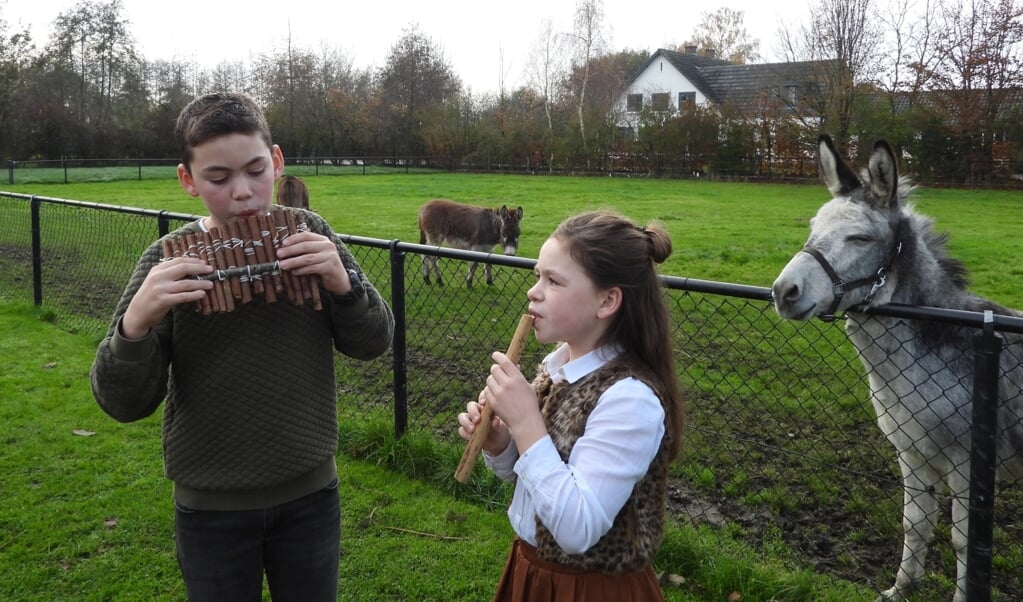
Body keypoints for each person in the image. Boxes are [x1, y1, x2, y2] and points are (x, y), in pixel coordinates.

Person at [90, 92, 394, 602]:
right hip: (210, 510)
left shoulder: (312, 234)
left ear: (276, 162)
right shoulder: (167, 261)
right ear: (188, 180)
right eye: (218, 178)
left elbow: (374, 343)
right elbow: (122, 403)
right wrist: (136, 323)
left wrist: (345, 285)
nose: (243, 194)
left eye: (256, 171)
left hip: (311, 495)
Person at [456, 210, 685, 601]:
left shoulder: (630, 399)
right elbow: (536, 478)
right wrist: (503, 443)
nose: (534, 292)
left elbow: (578, 527)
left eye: (554, 281)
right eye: (537, 276)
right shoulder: (558, 367)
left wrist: (527, 420)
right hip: (532, 572)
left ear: (607, 300)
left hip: (591, 589)